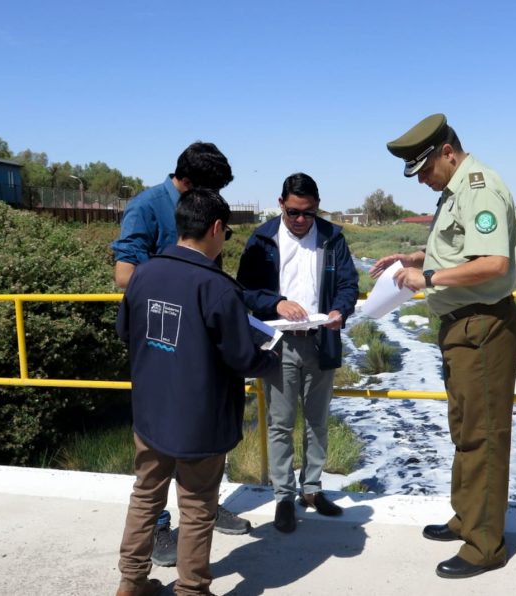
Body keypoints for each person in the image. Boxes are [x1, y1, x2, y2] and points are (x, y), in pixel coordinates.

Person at [370, 114, 516, 579]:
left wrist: (429, 277)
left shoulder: (478, 187)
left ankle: (484, 544)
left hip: (482, 327)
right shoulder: (455, 191)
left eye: (425, 170)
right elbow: (462, 250)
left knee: (483, 435)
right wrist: (416, 258)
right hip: (461, 328)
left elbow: (494, 263)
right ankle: (467, 518)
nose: (423, 181)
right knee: (464, 429)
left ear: (447, 153)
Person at [115, 188, 280, 596]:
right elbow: (242, 357)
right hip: (200, 422)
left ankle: (131, 583)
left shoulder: (144, 274)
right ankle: (192, 589)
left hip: (150, 414)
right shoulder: (216, 288)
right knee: (196, 506)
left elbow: (126, 331)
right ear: (216, 228)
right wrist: (273, 359)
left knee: (145, 497)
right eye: (226, 233)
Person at [111, 142, 250, 566]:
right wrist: (178, 290)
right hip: (167, 343)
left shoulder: (202, 213)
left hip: (201, 346)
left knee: (193, 463)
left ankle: (201, 509)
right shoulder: (147, 207)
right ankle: (162, 530)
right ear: (188, 183)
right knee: (154, 472)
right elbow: (124, 276)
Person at [237, 173, 359, 533]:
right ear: (280, 204)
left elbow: (349, 284)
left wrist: (340, 311)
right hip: (278, 343)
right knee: (280, 423)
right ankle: (283, 497)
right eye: (293, 213)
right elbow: (244, 290)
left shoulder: (332, 236)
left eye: (307, 212)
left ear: (317, 207)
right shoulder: (262, 238)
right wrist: (278, 303)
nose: (301, 220)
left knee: (318, 421)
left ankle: (312, 489)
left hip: (322, 339)